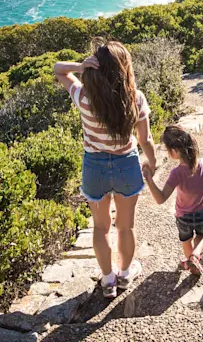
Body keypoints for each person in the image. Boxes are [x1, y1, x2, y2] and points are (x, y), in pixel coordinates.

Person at [54, 39, 157, 298]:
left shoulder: (83, 97)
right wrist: (152, 162)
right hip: (126, 164)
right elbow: (145, 139)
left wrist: (80, 66)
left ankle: (108, 280)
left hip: (95, 167)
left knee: (100, 228)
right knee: (125, 226)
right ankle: (124, 274)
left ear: (96, 69)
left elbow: (58, 69)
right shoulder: (136, 99)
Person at [141, 124, 203, 274]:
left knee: (186, 240)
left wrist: (149, 179)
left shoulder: (176, 173)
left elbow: (161, 198)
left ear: (174, 151)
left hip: (184, 216)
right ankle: (195, 256)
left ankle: (191, 260)